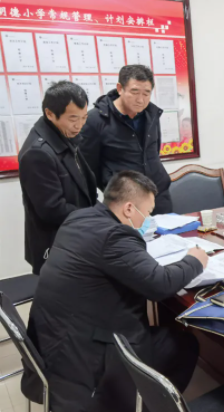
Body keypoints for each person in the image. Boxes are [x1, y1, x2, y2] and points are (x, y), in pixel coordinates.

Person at [22, 171, 208, 412]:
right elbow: (160, 284)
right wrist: (195, 260)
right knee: (183, 344)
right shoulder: (115, 235)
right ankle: (150, 405)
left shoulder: (79, 218)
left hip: (53, 343)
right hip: (84, 358)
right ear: (129, 208)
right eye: (147, 212)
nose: (148, 220)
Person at [18, 81, 97, 275]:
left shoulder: (65, 135)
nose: (79, 125)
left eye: (84, 117)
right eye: (73, 118)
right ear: (50, 114)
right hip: (56, 244)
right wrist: (96, 217)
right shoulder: (38, 153)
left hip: (78, 234)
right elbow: (52, 210)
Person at [80, 65, 173, 214]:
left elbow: (153, 152)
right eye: (134, 92)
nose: (140, 100)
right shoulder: (95, 120)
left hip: (158, 194)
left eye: (146, 93)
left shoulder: (152, 113)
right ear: (120, 88)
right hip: (124, 201)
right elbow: (88, 167)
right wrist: (112, 186)